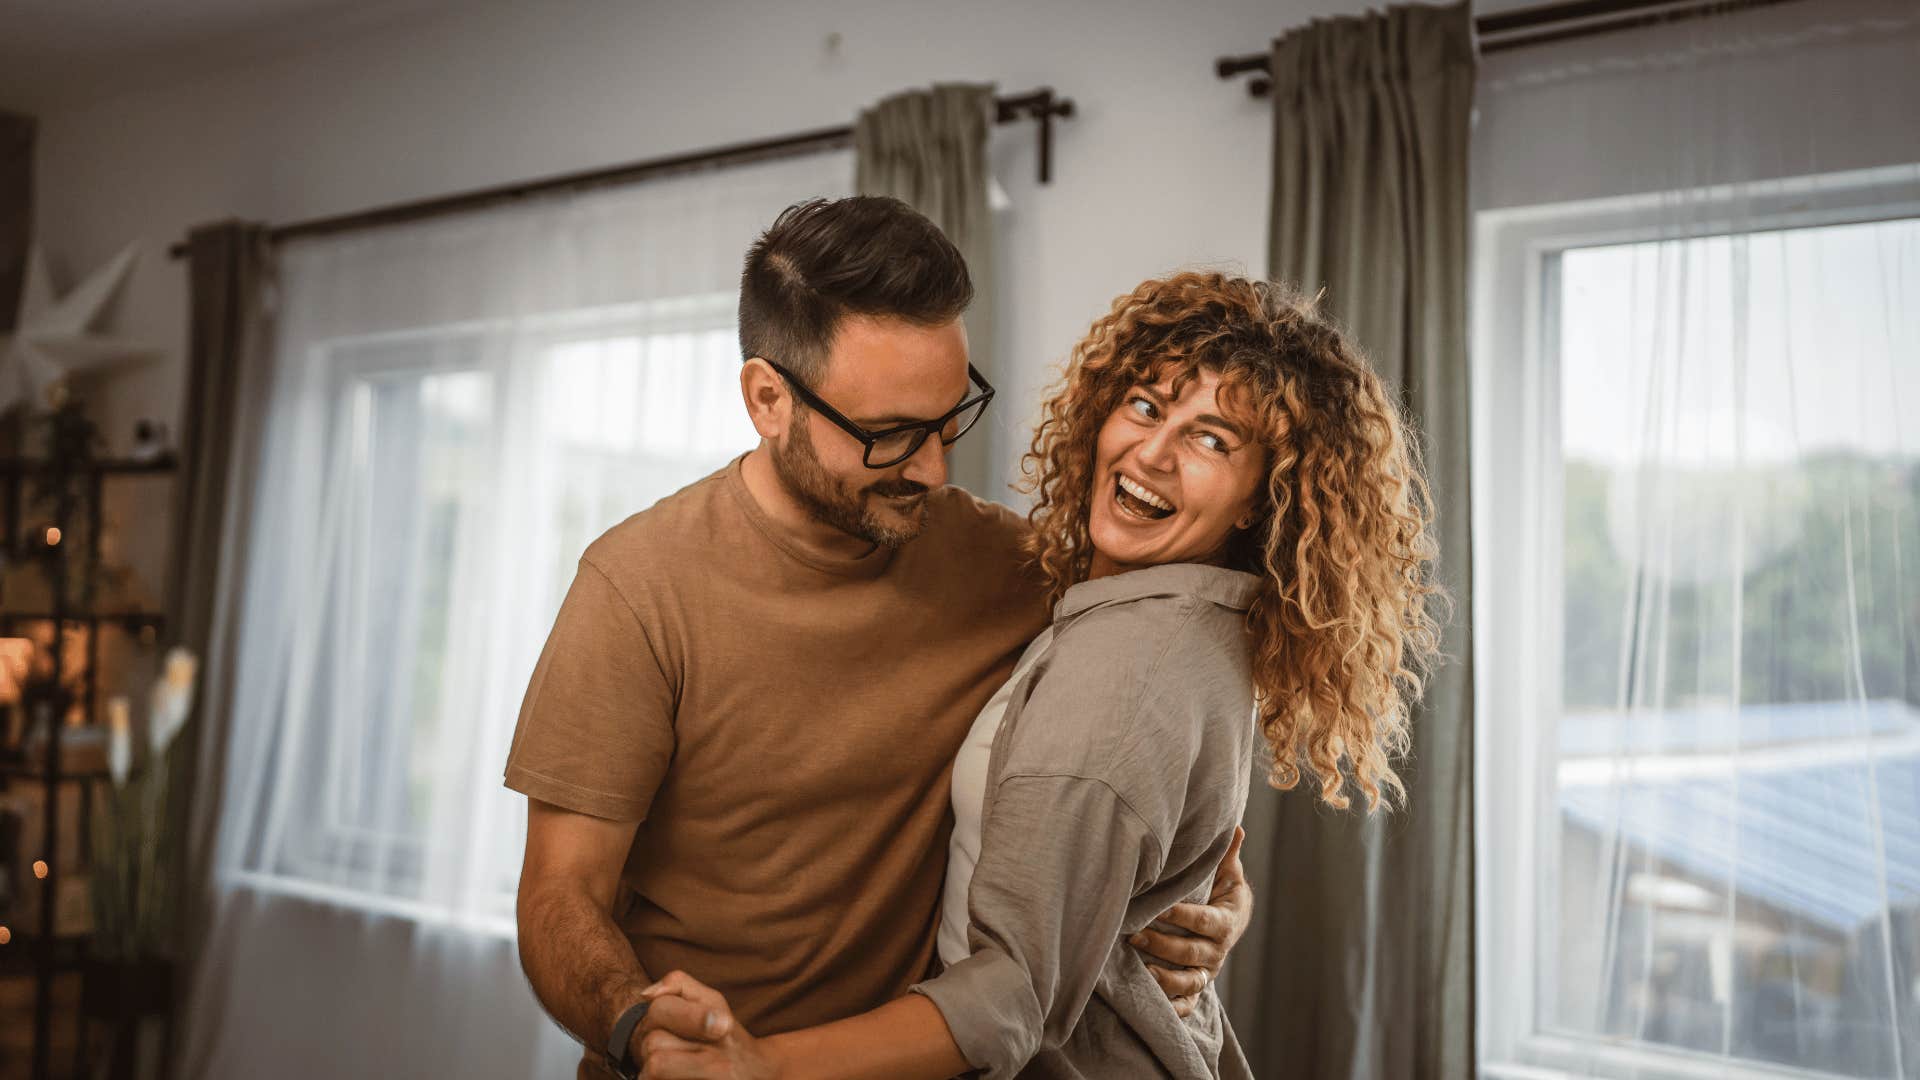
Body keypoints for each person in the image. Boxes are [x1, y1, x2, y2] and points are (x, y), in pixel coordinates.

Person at [503, 198, 1254, 1080]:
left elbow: (1137, 755)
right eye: (888, 435)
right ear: (767, 399)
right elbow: (561, 895)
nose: (933, 469)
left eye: (948, 419)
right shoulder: (635, 590)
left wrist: (1217, 901)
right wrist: (637, 1023)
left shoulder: (1015, 568)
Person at [631, 272, 1446, 1079]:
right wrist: (1207, 898)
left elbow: (1009, 994)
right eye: (1148, 406)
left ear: (1257, 502)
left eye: (1211, 440)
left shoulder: (1129, 671)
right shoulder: (1124, 610)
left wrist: (760, 1066)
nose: (1152, 453)